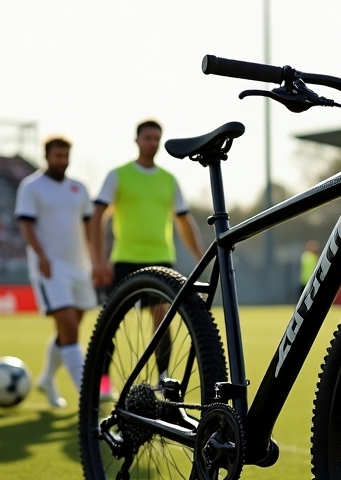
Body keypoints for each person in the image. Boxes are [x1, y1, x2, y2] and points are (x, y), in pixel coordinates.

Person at [89, 120, 205, 390]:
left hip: (161, 260)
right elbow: (97, 216)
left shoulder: (168, 180)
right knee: (111, 322)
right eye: (148, 138)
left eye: (157, 138)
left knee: (162, 320)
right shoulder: (118, 175)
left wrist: (201, 257)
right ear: (137, 140)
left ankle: (163, 376)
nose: (152, 143)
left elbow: (185, 222)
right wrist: (98, 259)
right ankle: (104, 380)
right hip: (125, 259)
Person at [15, 136, 95, 409]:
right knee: (70, 328)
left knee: (70, 329)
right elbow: (25, 225)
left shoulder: (79, 188)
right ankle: (89, 401)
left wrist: (95, 261)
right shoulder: (31, 187)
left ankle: (47, 378)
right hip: (51, 268)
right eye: (57, 156)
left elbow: (88, 228)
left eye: (65, 156)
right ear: (47, 156)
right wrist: (41, 256)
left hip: (80, 268)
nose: (62, 161)